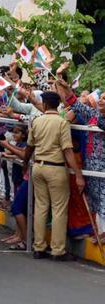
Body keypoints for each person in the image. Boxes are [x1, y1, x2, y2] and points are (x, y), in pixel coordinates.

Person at [23, 91, 85, 261]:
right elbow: (67, 150)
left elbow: (29, 147)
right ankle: (58, 250)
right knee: (58, 209)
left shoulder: (37, 121)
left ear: (44, 105)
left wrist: (24, 164)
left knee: (41, 207)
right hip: (56, 168)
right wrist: (78, 174)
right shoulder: (61, 123)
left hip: (38, 167)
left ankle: (39, 247)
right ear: (58, 105)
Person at [56, 78, 105, 243]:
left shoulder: (98, 117)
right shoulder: (94, 114)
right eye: (101, 98)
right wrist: (66, 89)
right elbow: (76, 106)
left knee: (104, 200)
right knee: (96, 200)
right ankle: (102, 232)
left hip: (103, 168)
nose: (101, 101)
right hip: (91, 166)